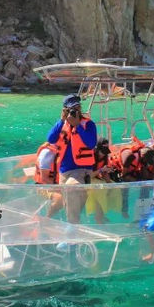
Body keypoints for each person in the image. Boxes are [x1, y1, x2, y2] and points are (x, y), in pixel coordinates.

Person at [47, 94, 97, 223]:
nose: (75, 112)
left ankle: (71, 230)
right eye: (71, 109)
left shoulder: (88, 124)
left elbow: (91, 143)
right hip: (64, 170)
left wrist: (77, 126)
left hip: (81, 169)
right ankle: (74, 227)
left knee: (71, 190)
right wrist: (61, 121)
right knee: (69, 201)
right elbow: (51, 139)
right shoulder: (63, 124)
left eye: (77, 108)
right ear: (65, 110)